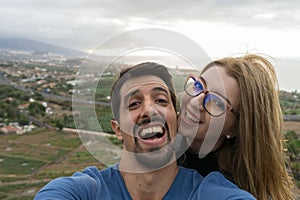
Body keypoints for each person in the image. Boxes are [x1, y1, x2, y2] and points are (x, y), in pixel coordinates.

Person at [35, 62, 255, 200]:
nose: (150, 110)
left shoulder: (209, 190)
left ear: (174, 119)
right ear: (117, 129)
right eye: (133, 104)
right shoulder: (83, 191)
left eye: (160, 100)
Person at [177, 54, 295, 200]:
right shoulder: (154, 140)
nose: (196, 102)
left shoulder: (225, 192)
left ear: (236, 128)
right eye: (198, 86)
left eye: (218, 103)